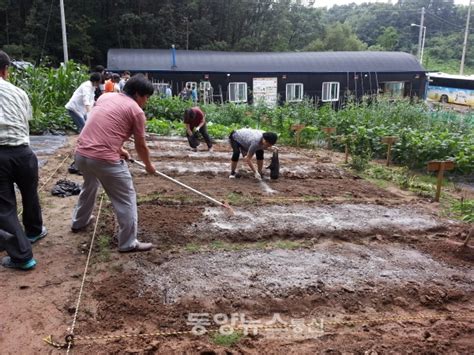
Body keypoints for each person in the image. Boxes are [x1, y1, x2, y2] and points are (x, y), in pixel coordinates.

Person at [71, 74, 156, 253]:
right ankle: (128, 242)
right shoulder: (136, 111)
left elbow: (101, 126)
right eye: (146, 97)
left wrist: (119, 149)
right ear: (139, 94)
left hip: (81, 155)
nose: (146, 102)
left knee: (90, 185)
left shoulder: (105, 97)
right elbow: (141, 145)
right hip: (104, 159)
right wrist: (148, 165)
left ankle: (79, 221)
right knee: (126, 198)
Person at [0, 50, 47, 270]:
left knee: (5, 207)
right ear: (5, 70)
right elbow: (26, 119)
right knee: (30, 193)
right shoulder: (19, 92)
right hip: (24, 153)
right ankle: (34, 231)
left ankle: (21, 256)